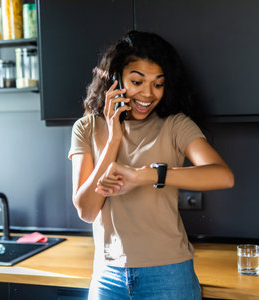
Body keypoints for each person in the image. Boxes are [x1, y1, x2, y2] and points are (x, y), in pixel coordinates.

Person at [68, 31, 234, 300]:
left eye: (158, 84)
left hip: (169, 272)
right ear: (115, 79)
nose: (147, 94)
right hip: (108, 275)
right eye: (136, 81)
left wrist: (145, 176)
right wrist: (113, 139)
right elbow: (86, 210)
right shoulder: (86, 128)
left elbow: (223, 176)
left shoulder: (175, 125)